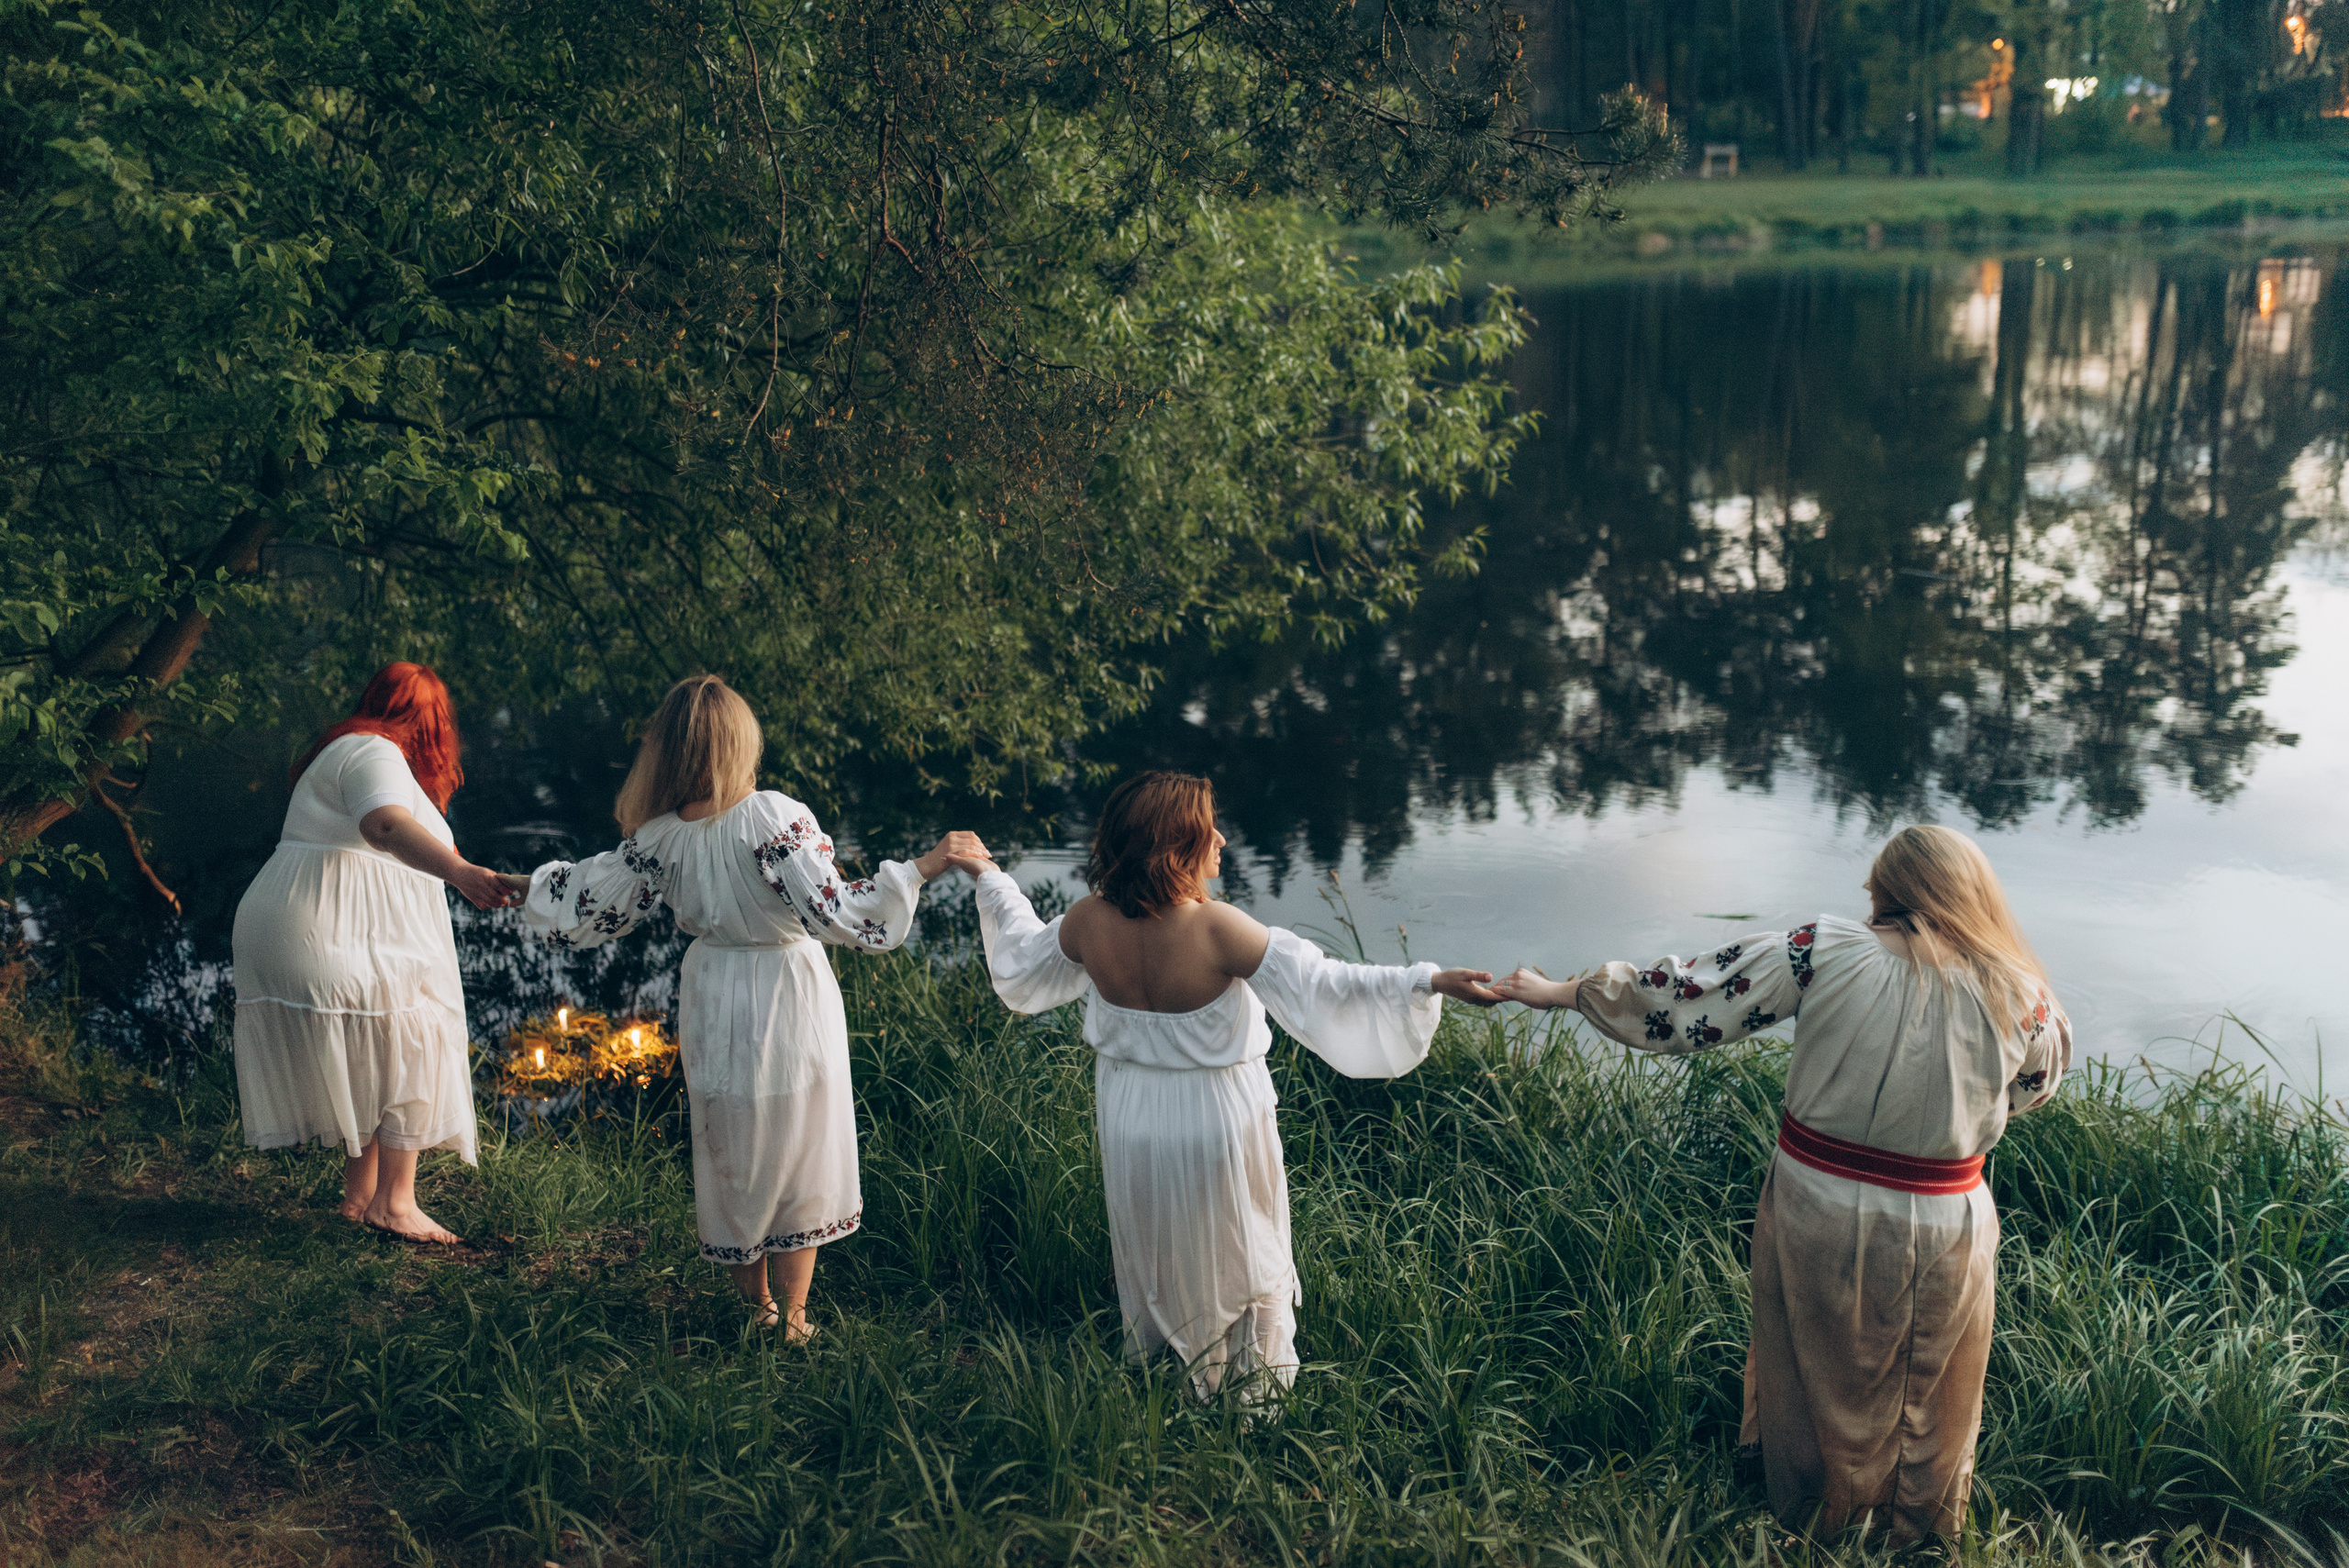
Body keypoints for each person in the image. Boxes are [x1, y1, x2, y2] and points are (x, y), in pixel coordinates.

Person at [1494, 825, 2071, 1549]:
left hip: (1816, 1199)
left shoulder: (1820, 950)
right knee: (1926, 1384)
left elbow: (1684, 1001)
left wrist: (1562, 991)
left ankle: (1805, 1517)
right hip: (1945, 1215)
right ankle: (1915, 1536)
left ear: (1891, 890)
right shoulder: (2019, 990)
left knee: (1807, 1364)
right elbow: (2032, 1087)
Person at [952, 770, 1502, 1399]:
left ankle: (1167, 1368)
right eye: (1206, 829)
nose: (1220, 838)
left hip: (1129, 1112)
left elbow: (1022, 953)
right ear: (1174, 845)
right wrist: (1427, 980)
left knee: (1157, 1240)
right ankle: (1251, 1393)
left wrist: (989, 875)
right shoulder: (1217, 928)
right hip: (1216, 1114)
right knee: (1242, 1244)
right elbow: (1327, 984)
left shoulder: (1086, 922)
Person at [507, 674, 984, 1341]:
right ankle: (794, 1317)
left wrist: (516, 886)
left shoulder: (659, 837)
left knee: (731, 1137)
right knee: (797, 1138)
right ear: (738, 742)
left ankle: (756, 1310)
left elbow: (590, 898)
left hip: (713, 986)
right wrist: (923, 866)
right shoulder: (770, 817)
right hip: (786, 987)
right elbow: (840, 913)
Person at [232, 662, 516, 1244]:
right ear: (430, 722)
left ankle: (360, 1198)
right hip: (323, 927)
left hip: (307, 923)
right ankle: (395, 1202)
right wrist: (462, 872)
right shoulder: (373, 751)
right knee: (415, 1037)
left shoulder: (345, 750)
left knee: (378, 1047)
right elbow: (383, 827)